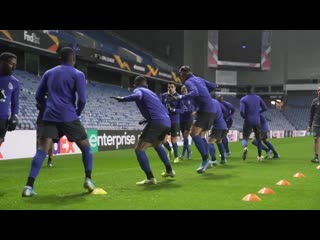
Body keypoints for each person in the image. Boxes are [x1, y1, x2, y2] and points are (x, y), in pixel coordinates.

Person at [22, 47, 96, 197]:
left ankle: (28, 187)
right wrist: (78, 112)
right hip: (69, 116)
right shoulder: (78, 74)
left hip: (49, 116)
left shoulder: (49, 73)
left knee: (42, 150)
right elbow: (82, 99)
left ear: (60, 58)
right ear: (74, 59)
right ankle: (88, 179)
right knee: (86, 147)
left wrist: (45, 106)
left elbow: (38, 95)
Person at [111, 75, 175, 185]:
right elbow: (160, 109)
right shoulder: (152, 93)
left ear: (135, 84)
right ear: (147, 84)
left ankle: (150, 178)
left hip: (157, 121)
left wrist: (123, 99)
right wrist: (147, 119)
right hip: (167, 121)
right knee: (157, 144)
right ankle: (169, 170)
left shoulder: (139, 90)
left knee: (139, 149)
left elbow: (138, 95)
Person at [173, 66, 218, 173]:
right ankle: (209, 160)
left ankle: (205, 160)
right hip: (211, 109)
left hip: (205, 110)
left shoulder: (188, 82)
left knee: (193, 134)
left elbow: (195, 93)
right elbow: (213, 86)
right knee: (201, 135)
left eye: (180, 75)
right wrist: (204, 94)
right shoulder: (199, 79)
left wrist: (180, 97)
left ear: (183, 74)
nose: (180, 78)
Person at [240, 86, 268, 161]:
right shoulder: (258, 98)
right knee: (258, 139)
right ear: (253, 90)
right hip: (257, 121)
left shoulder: (243, 99)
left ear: (246, 91)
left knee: (245, 136)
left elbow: (242, 111)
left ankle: (245, 147)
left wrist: (245, 117)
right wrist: (258, 112)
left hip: (248, 120)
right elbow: (265, 108)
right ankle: (259, 156)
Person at [0, 52, 19, 148]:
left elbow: (15, 103)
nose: (14, 67)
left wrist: (14, 116)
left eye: (15, 65)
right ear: (2, 63)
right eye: (12, 64)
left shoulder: (15, 82)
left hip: (2, 119)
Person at [161, 82, 184, 163]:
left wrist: (173, 110)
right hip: (165, 120)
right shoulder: (164, 96)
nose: (170, 88)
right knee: (163, 140)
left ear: (175, 88)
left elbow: (182, 110)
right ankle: (170, 150)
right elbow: (161, 106)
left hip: (175, 121)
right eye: (168, 87)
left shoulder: (179, 97)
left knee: (174, 139)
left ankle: (176, 157)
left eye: (171, 87)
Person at [36, 93, 54, 167]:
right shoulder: (42, 94)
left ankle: (50, 160)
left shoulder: (54, 95)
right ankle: (38, 160)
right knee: (39, 140)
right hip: (41, 121)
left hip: (51, 121)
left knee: (51, 141)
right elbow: (38, 106)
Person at [179, 85, 196, 160]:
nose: (183, 93)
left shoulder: (191, 98)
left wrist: (195, 111)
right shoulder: (179, 99)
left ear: (187, 91)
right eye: (182, 91)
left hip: (189, 119)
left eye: (185, 91)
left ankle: (183, 153)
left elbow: (198, 106)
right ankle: (189, 151)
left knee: (185, 136)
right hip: (181, 119)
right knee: (184, 137)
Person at [308, 86, 320, 163]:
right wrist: (309, 125)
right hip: (316, 124)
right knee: (316, 139)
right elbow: (311, 114)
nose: (319, 91)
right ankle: (316, 157)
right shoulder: (314, 101)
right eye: (318, 90)